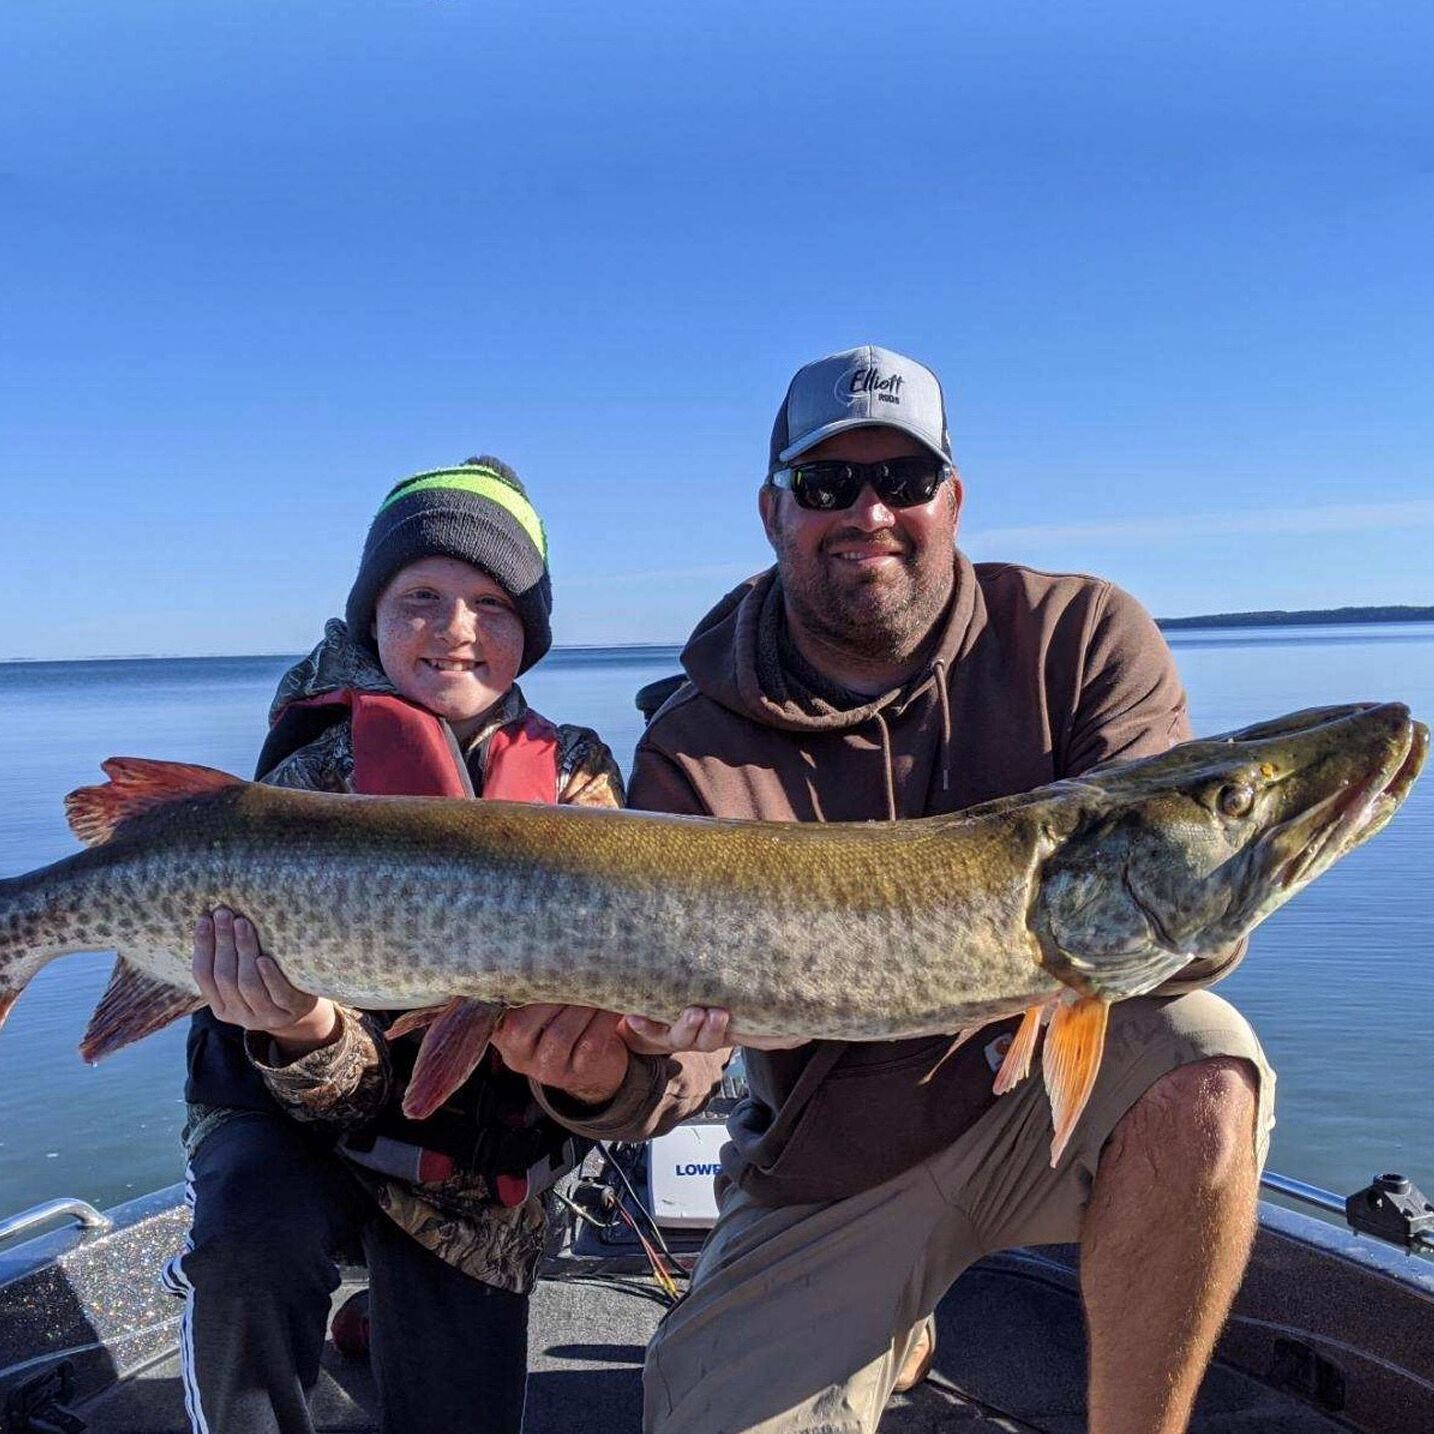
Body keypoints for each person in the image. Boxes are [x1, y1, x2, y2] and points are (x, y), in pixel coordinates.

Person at [627, 347, 1277, 1434]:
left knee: (1206, 1063)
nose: (869, 511)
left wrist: (1228, 876)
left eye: (905, 480)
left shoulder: (1081, 639)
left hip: (1046, 1104)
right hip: (833, 1165)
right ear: (774, 511)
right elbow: (672, 1070)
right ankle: (891, 1313)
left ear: (953, 500)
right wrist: (618, 1063)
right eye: (829, 485)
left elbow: (1165, 913)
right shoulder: (694, 746)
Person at [174, 456, 725, 1434]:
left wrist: (599, 1071)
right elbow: (340, 1090)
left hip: (469, 1163)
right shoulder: (320, 767)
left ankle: (384, 1315)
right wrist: (298, 1026)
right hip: (295, 1119)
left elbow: (623, 1001)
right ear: (370, 615)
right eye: (420, 595)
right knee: (251, 1244)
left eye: (493, 604)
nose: (457, 627)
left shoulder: (576, 773)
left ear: (531, 633)